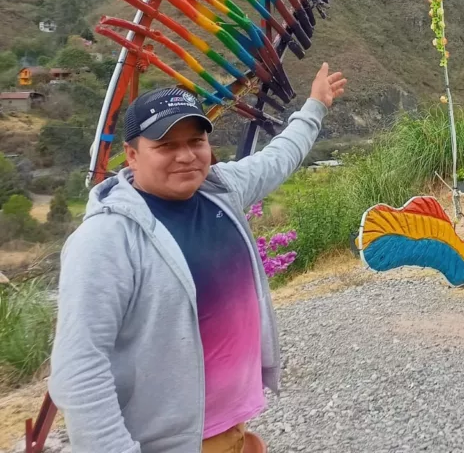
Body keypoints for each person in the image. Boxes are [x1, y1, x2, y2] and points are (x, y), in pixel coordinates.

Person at [49, 63, 347, 453]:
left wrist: (315, 106)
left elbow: (279, 157)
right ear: (132, 155)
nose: (186, 156)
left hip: (233, 427)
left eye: (195, 141)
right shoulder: (105, 240)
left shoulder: (219, 190)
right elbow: (79, 369)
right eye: (166, 146)